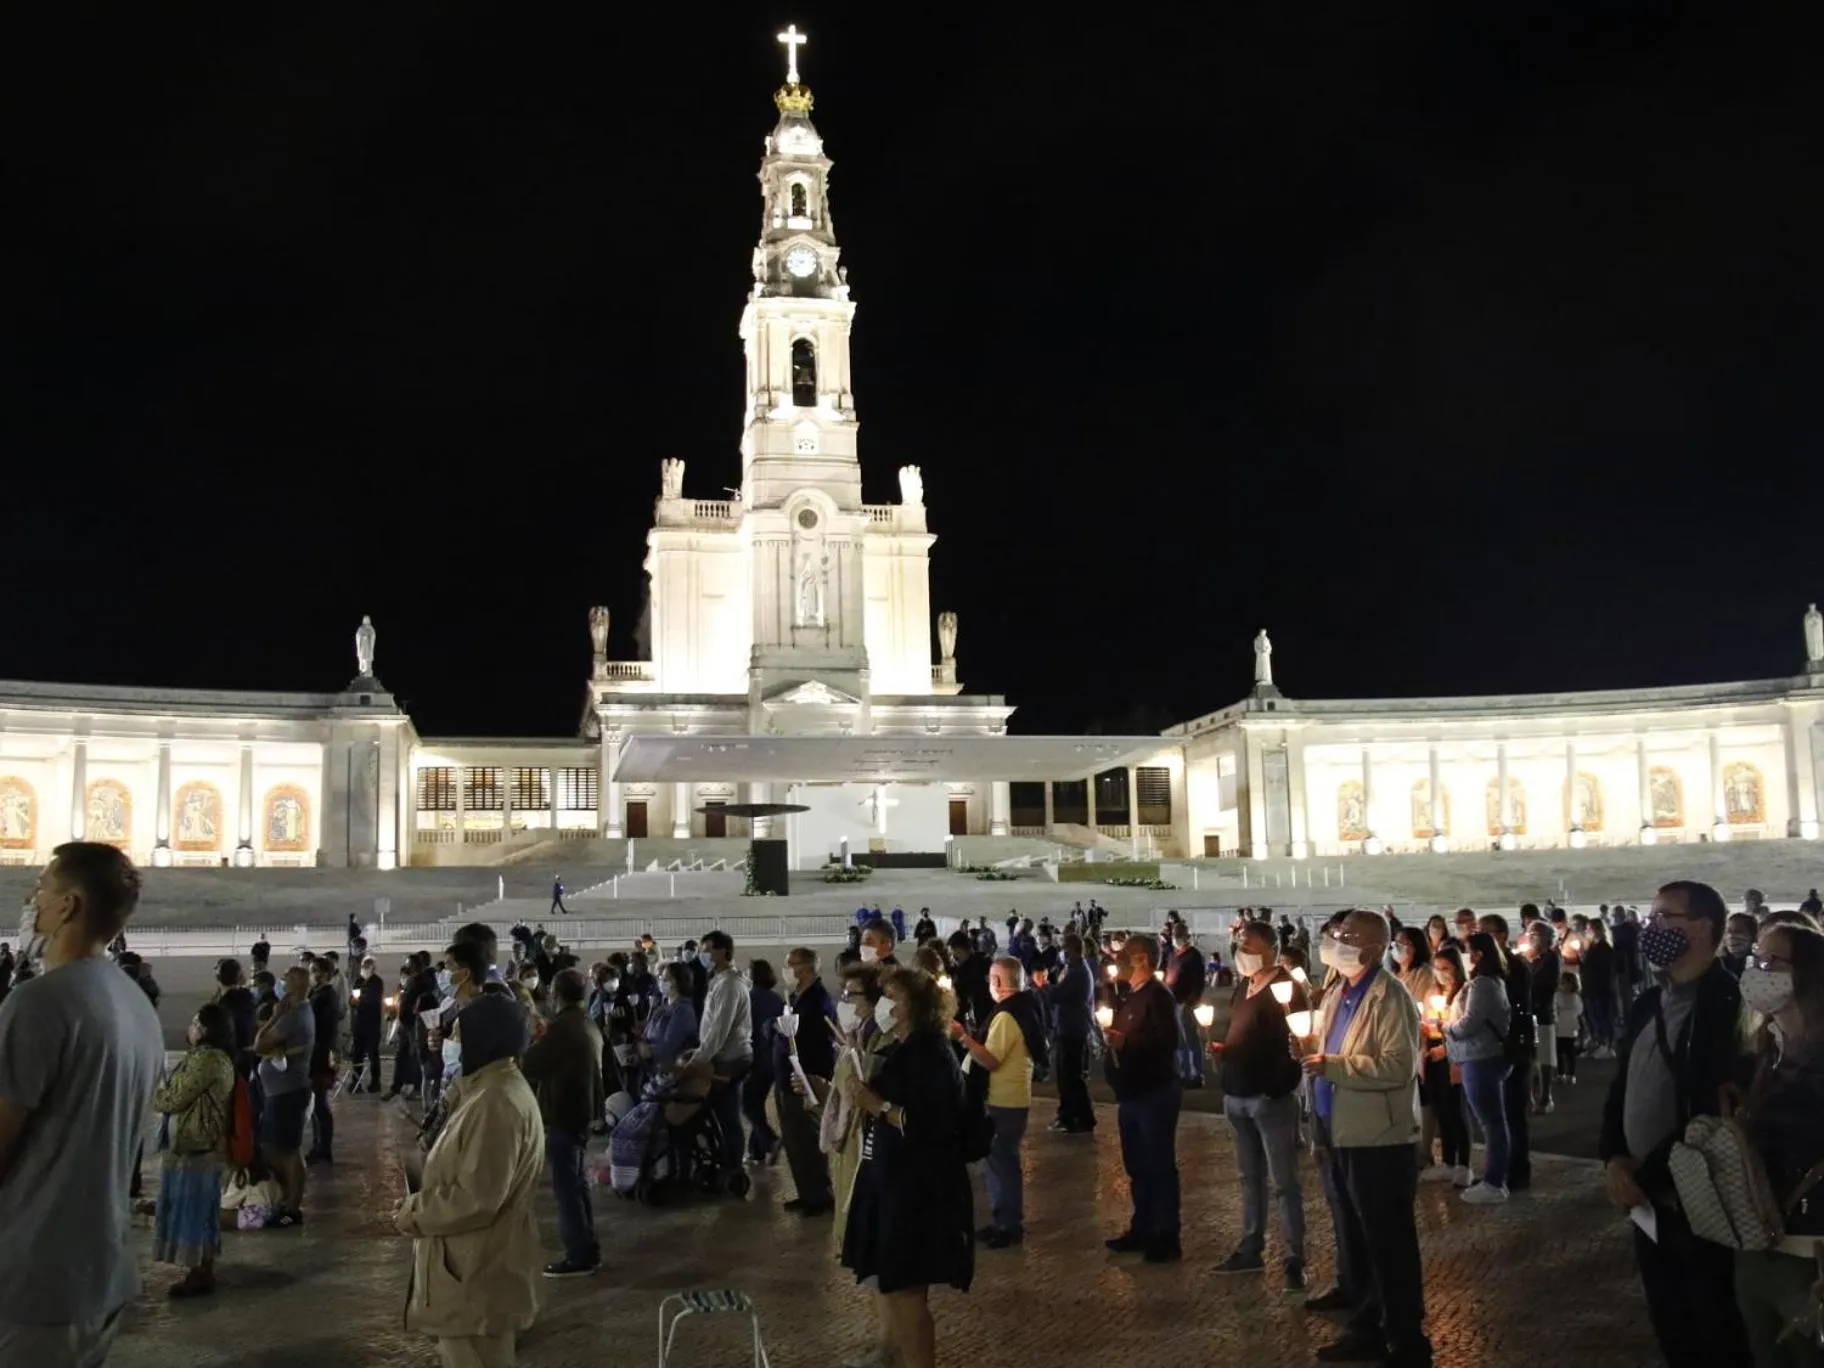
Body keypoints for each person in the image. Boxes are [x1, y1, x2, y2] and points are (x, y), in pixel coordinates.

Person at [0, 843, 165, 1362]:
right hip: (101, 1270)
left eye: (42, 890)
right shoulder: (137, 1006)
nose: (34, 903)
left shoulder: (39, 1003)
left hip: (33, 1276)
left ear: (68, 905)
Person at [1600, 880, 1752, 1368]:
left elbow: (1710, 1109)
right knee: (1671, 1323)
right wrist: (1613, 1157)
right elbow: (1623, 1084)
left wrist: (1644, 1175)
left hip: (1700, 1195)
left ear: (1703, 928)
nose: (1651, 927)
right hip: (1648, 1201)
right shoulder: (1650, 1001)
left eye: (1664, 917)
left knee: (1714, 1326)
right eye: (1651, 917)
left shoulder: (1729, 1004)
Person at [1303, 909, 1431, 1368]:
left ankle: (1406, 1340)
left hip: (1378, 1138)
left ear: (1375, 950)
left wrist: (1333, 1066)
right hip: (1340, 1130)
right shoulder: (1338, 991)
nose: (1337, 941)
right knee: (1355, 1240)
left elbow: (1398, 1066)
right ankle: (1365, 1327)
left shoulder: (1390, 997)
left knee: (1388, 1243)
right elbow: (1327, 1049)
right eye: (1338, 933)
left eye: (1349, 937)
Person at [395, 994, 544, 1368]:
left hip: (477, 1273)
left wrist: (413, 1211)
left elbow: (477, 1197)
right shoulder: (483, 1089)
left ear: (484, 1038)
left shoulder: (496, 1103)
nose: (451, 1042)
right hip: (470, 1269)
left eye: (459, 1035)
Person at [838, 966, 973, 1368]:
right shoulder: (901, 1049)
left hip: (917, 1185)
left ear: (913, 1006)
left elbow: (931, 1122)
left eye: (891, 997)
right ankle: (894, 1353)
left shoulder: (929, 1053)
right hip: (890, 1176)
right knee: (892, 1281)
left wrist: (877, 1105)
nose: (882, 1004)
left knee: (908, 1289)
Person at [1734, 921, 1824, 1367]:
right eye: (1757, 959)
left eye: (1771, 962)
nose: (1758, 971)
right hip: (1758, 1248)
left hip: (1810, 1257)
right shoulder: (1768, 1050)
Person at [1211, 917, 1309, 1290]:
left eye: (1248, 946)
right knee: (1249, 1178)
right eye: (1240, 945)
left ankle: (1294, 1255)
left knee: (1284, 1181)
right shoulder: (1244, 986)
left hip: (1269, 1099)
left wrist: (1276, 1087)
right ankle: (1251, 1245)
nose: (1242, 952)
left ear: (1271, 950)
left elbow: (1297, 1044)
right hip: (1237, 1093)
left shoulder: (1287, 990)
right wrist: (1225, 1051)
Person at [1102, 933, 1183, 1263]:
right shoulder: (1130, 995)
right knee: (1137, 1165)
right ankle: (1143, 1227)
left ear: (1142, 960)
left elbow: (1168, 1041)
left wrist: (1126, 1042)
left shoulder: (1158, 996)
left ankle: (1165, 1234)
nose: (1119, 959)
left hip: (1154, 1093)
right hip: (1132, 1093)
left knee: (1158, 1165)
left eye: (1126, 955)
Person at [953, 957, 1044, 1248]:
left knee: (1002, 1162)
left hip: (1004, 1100)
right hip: (1010, 1098)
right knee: (997, 1162)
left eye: (991, 978)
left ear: (997, 981)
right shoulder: (1023, 1007)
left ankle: (1008, 1224)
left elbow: (991, 1060)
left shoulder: (1007, 1016)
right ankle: (1001, 1219)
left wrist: (963, 1038)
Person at [521, 966, 603, 1279]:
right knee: (577, 1184)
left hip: (565, 1112)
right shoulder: (585, 1022)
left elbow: (531, 1063)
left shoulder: (562, 1028)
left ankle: (578, 1254)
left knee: (567, 1187)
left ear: (556, 994)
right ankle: (587, 1248)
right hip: (582, 1111)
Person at [153, 1001, 237, 1298]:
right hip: (193, 1145)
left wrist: (152, 1092)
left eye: (195, 1023)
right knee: (195, 1207)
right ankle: (200, 1267)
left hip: (198, 1146)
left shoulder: (208, 1060)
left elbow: (175, 1098)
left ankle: (200, 1272)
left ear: (205, 1030)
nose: (190, 1028)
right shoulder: (207, 1057)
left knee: (194, 1209)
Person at [1445, 932, 1514, 1204]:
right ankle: (1495, 1179)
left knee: (1491, 1122)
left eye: (1468, 950)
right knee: (1492, 1120)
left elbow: (1470, 1023)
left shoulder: (1483, 984)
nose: (1465, 956)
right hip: (1481, 1055)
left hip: (1481, 1056)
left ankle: (1494, 1182)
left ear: (1478, 954)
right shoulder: (1490, 981)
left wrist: (1446, 1027)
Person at [688, 930, 754, 1190]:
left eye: (707, 950)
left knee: (727, 1115)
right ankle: (724, 1161)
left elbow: (719, 1029)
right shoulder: (718, 981)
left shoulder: (729, 985)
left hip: (731, 1058)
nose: (702, 955)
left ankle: (734, 1167)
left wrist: (698, 1059)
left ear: (723, 951)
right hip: (720, 1055)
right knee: (718, 1114)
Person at [776, 948, 838, 1216]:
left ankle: (819, 1196)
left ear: (807, 967)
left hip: (807, 1077)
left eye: (792, 964)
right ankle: (806, 1191)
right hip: (787, 1076)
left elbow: (813, 1040)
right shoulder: (796, 997)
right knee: (795, 1141)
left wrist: (783, 1033)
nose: (788, 969)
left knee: (808, 1140)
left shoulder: (818, 1000)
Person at [254, 964, 316, 1224]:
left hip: (286, 1091)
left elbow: (259, 1044)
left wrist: (274, 1016)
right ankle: (288, 1197)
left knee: (287, 1150)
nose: (283, 982)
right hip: (282, 1090)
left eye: (287, 979)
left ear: (296, 985)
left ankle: (292, 1202)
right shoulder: (299, 1011)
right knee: (276, 1147)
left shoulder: (292, 1016)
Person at [1478, 912, 1535, 1189]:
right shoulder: (1490, 966)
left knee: (1512, 1111)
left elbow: (1514, 1008)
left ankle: (1517, 1171)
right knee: (1497, 1113)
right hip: (1495, 1046)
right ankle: (1500, 1167)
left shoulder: (1513, 967)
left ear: (1502, 936)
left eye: (1486, 933)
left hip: (1513, 1046)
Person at [1420, 947, 1473, 1186]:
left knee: (1457, 1110)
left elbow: (1464, 1027)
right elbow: (1427, 1023)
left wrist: (1445, 1047)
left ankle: (1464, 1164)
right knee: (1441, 1110)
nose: (1441, 973)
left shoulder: (1465, 993)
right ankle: (1448, 1161)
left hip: (1454, 1055)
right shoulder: (1433, 992)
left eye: (1446, 968)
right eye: (1437, 968)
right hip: (1433, 1054)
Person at [1046, 931, 1097, 1134]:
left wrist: (1043, 987)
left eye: (1065, 950)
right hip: (1067, 1027)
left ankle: (1082, 1117)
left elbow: (1058, 994)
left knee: (1071, 1077)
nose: (1063, 954)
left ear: (1075, 950)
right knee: (1065, 1076)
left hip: (1073, 1029)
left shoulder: (1078, 973)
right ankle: (1067, 1114)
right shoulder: (1072, 969)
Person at [744, 959, 785, 1165]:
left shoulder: (749, 999)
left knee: (748, 1104)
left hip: (756, 1058)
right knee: (757, 1103)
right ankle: (756, 1151)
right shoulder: (777, 999)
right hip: (774, 1058)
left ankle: (770, 1141)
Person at [306, 959, 341, 1165]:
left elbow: (322, 1029)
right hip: (317, 1054)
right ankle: (319, 1144)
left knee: (320, 1103)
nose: (312, 975)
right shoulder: (318, 994)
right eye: (311, 971)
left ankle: (324, 1147)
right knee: (316, 1103)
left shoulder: (325, 997)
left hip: (319, 1056)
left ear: (326, 974)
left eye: (315, 971)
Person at [1166, 923, 1209, 1087]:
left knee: (1190, 1038)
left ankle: (1196, 1074)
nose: (1175, 939)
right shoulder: (1174, 955)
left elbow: (1198, 982)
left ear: (1186, 936)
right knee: (1179, 1041)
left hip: (1186, 1003)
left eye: (1179, 936)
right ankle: (1183, 1072)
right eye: (1174, 935)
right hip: (1174, 1002)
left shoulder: (1193, 956)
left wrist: (1191, 1001)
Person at [1554, 970, 1584, 1085]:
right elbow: (1579, 1011)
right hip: (1567, 1026)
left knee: (1567, 1052)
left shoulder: (1559, 997)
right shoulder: (1576, 998)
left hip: (1566, 1027)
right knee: (1563, 1052)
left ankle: (1567, 1074)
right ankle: (1564, 1074)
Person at [1721, 912, 1758, 978]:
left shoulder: (1759, 964)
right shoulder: (1718, 963)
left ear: (1753, 936)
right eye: (1728, 931)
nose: (1731, 936)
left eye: (1738, 931)